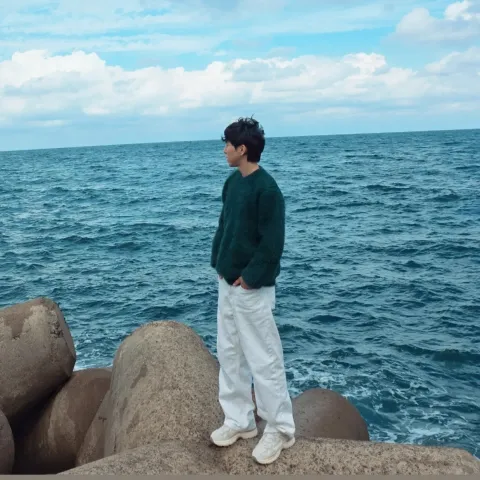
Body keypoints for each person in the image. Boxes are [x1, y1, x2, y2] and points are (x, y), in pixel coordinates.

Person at [210, 116, 295, 465]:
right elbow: (224, 226)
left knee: (264, 357)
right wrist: (219, 263)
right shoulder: (233, 183)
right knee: (229, 352)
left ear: (242, 149)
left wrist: (249, 278)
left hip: (251, 288)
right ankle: (239, 420)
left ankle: (280, 429)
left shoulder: (267, 190)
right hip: (227, 282)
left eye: (228, 144)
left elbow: (273, 243)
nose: (224, 150)